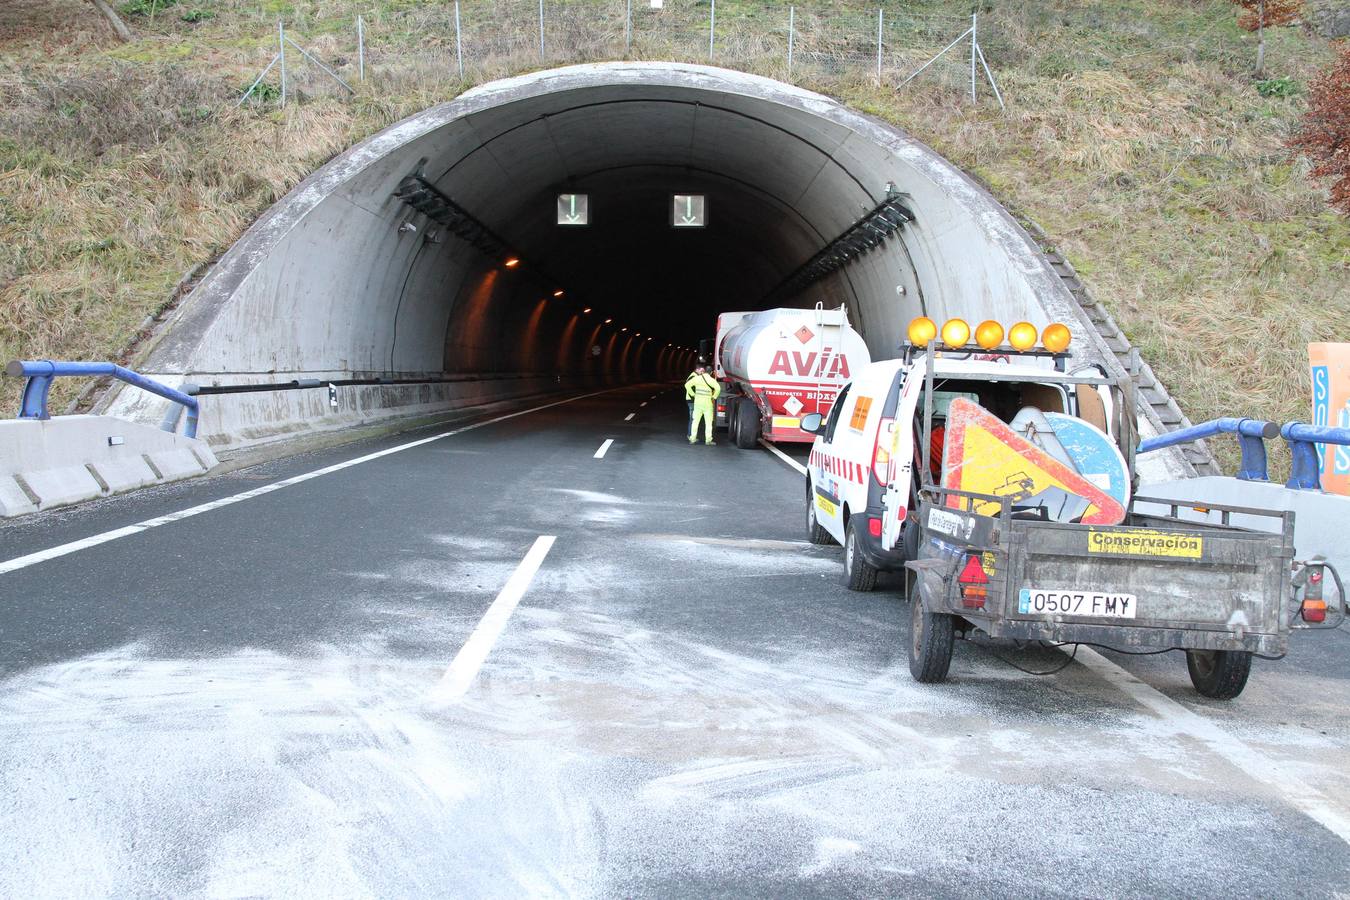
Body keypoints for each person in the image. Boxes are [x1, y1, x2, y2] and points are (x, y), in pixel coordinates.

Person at [684, 364, 720, 445]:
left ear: (704, 371)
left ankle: (692, 439)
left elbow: (687, 385)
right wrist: (714, 397)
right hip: (708, 404)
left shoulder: (697, 378)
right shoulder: (711, 380)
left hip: (697, 403)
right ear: (711, 372)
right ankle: (708, 440)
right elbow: (718, 388)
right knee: (708, 423)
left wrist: (693, 394)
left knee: (695, 422)